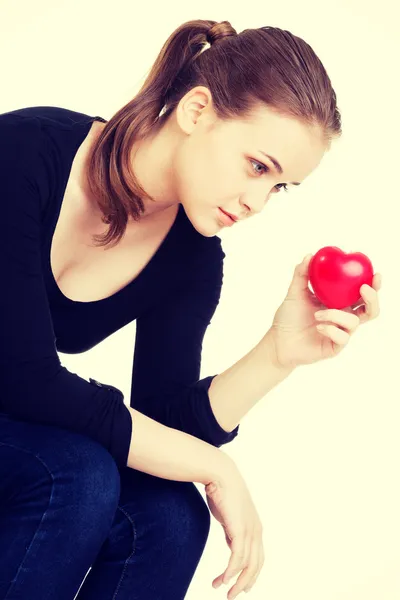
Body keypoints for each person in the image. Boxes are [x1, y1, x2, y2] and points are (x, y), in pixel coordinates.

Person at [0, 17, 381, 600]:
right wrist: (217, 466)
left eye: (279, 188)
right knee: (74, 474)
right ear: (197, 110)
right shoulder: (24, 152)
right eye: (259, 167)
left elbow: (161, 427)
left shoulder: (191, 258)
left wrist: (278, 354)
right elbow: (24, 377)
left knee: (169, 513)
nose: (259, 202)